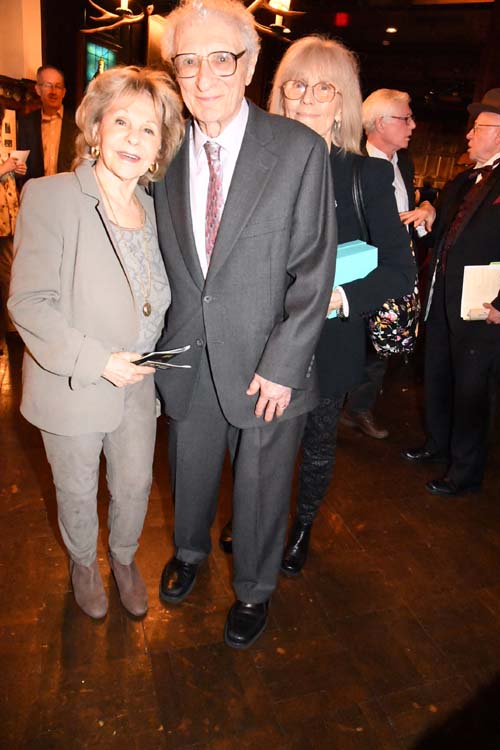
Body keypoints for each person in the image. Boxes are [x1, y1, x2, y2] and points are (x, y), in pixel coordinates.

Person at [154, 0, 336, 649]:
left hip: (267, 363)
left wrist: (285, 365)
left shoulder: (297, 150)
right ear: (175, 71)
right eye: (188, 63)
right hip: (188, 354)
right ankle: (189, 551)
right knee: (190, 466)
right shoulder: (166, 149)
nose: (204, 79)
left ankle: (254, 588)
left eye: (220, 60)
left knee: (260, 488)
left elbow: (314, 269)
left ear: (251, 63)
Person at [221, 35, 415, 575]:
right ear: (278, 93)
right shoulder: (249, 164)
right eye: (296, 85)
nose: (306, 98)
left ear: (343, 100)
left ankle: (302, 523)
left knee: (316, 441)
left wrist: (341, 296)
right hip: (258, 331)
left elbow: (400, 270)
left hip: (328, 337)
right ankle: (253, 512)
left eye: (323, 87)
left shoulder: (365, 174)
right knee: (251, 430)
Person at [8, 66, 184, 619]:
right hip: (75, 380)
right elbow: (28, 302)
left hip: (139, 383)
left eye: (149, 129)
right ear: (96, 129)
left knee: (134, 486)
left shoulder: (157, 211)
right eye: (122, 122)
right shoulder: (52, 196)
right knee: (79, 490)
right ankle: (84, 563)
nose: (134, 138)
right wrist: (99, 360)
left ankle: (125, 558)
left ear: (159, 148)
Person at [402, 87, 500, 496]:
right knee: (439, 376)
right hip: (443, 299)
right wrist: (428, 215)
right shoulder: (462, 180)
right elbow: (442, 231)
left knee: (473, 391)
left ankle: (465, 471)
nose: (468, 136)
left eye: (477, 128)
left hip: (483, 307)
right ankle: (438, 444)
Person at [341, 89, 435, 440]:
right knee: (354, 339)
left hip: (394, 268)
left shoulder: (404, 164)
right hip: (357, 267)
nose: (413, 125)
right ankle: (341, 403)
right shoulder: (351, 160)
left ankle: (358, 406)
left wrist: (425, 210)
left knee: (383, 344)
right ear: (380, 123)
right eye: (405, 118)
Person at [17, 65, 78, 181]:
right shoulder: (26, 123)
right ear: (38, 90)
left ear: (64, 92)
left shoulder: (77, 123)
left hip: (68, 192)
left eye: (58, 86)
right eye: (48, 86)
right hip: (37, 193)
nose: (53, 91)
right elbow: (22, 166)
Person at [1, 103, 27, 339]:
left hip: (8, 221)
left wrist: (16, 169)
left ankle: (11, 327)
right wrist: (3, 169)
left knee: (10, 275)